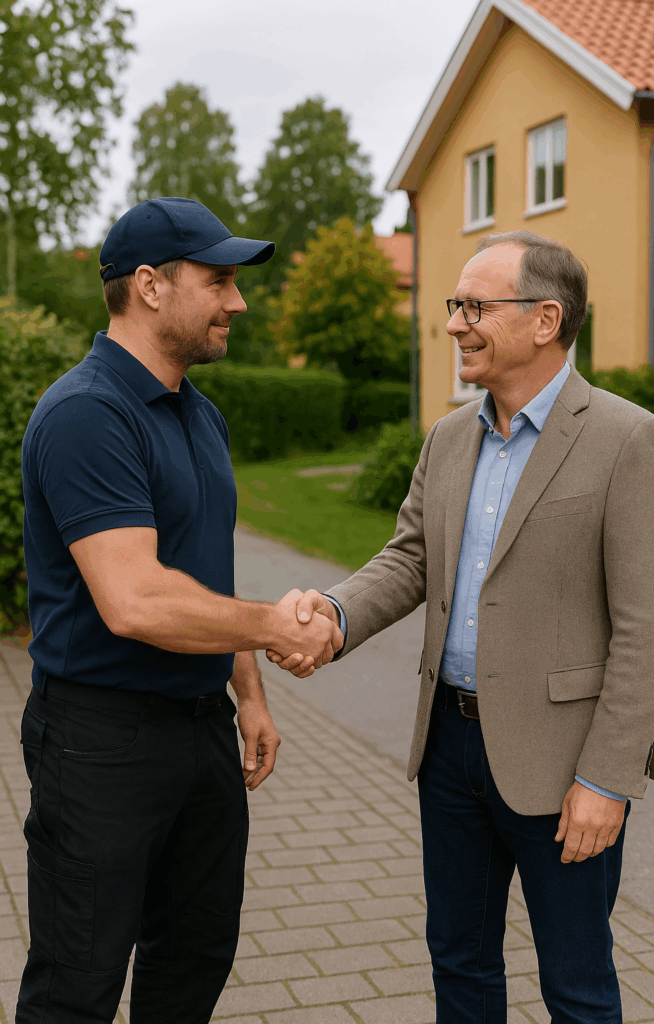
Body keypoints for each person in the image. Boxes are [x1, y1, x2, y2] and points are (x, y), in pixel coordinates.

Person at [268, 230, 654, 1023]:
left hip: (564, 765)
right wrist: (334, 613)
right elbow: (410, 559)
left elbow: (645, 630)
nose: (454, 323)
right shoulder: (448, 437)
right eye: (454, 305)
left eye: (473, 306)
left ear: (543, 319)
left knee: (578, 985)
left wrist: (605, 780)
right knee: (458, 966)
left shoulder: (629, 439)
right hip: (450, 754)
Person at [17, 197, 343, 1024]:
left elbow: (203, 572)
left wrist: (250, 695)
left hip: (199, 734)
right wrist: (273, 627)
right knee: (77, 982)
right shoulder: (87, 413)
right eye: (220, 280)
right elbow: (135, 600)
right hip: (100, 743)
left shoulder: (201, 414)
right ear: (151, 286)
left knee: (192, 961)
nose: (238, 302)